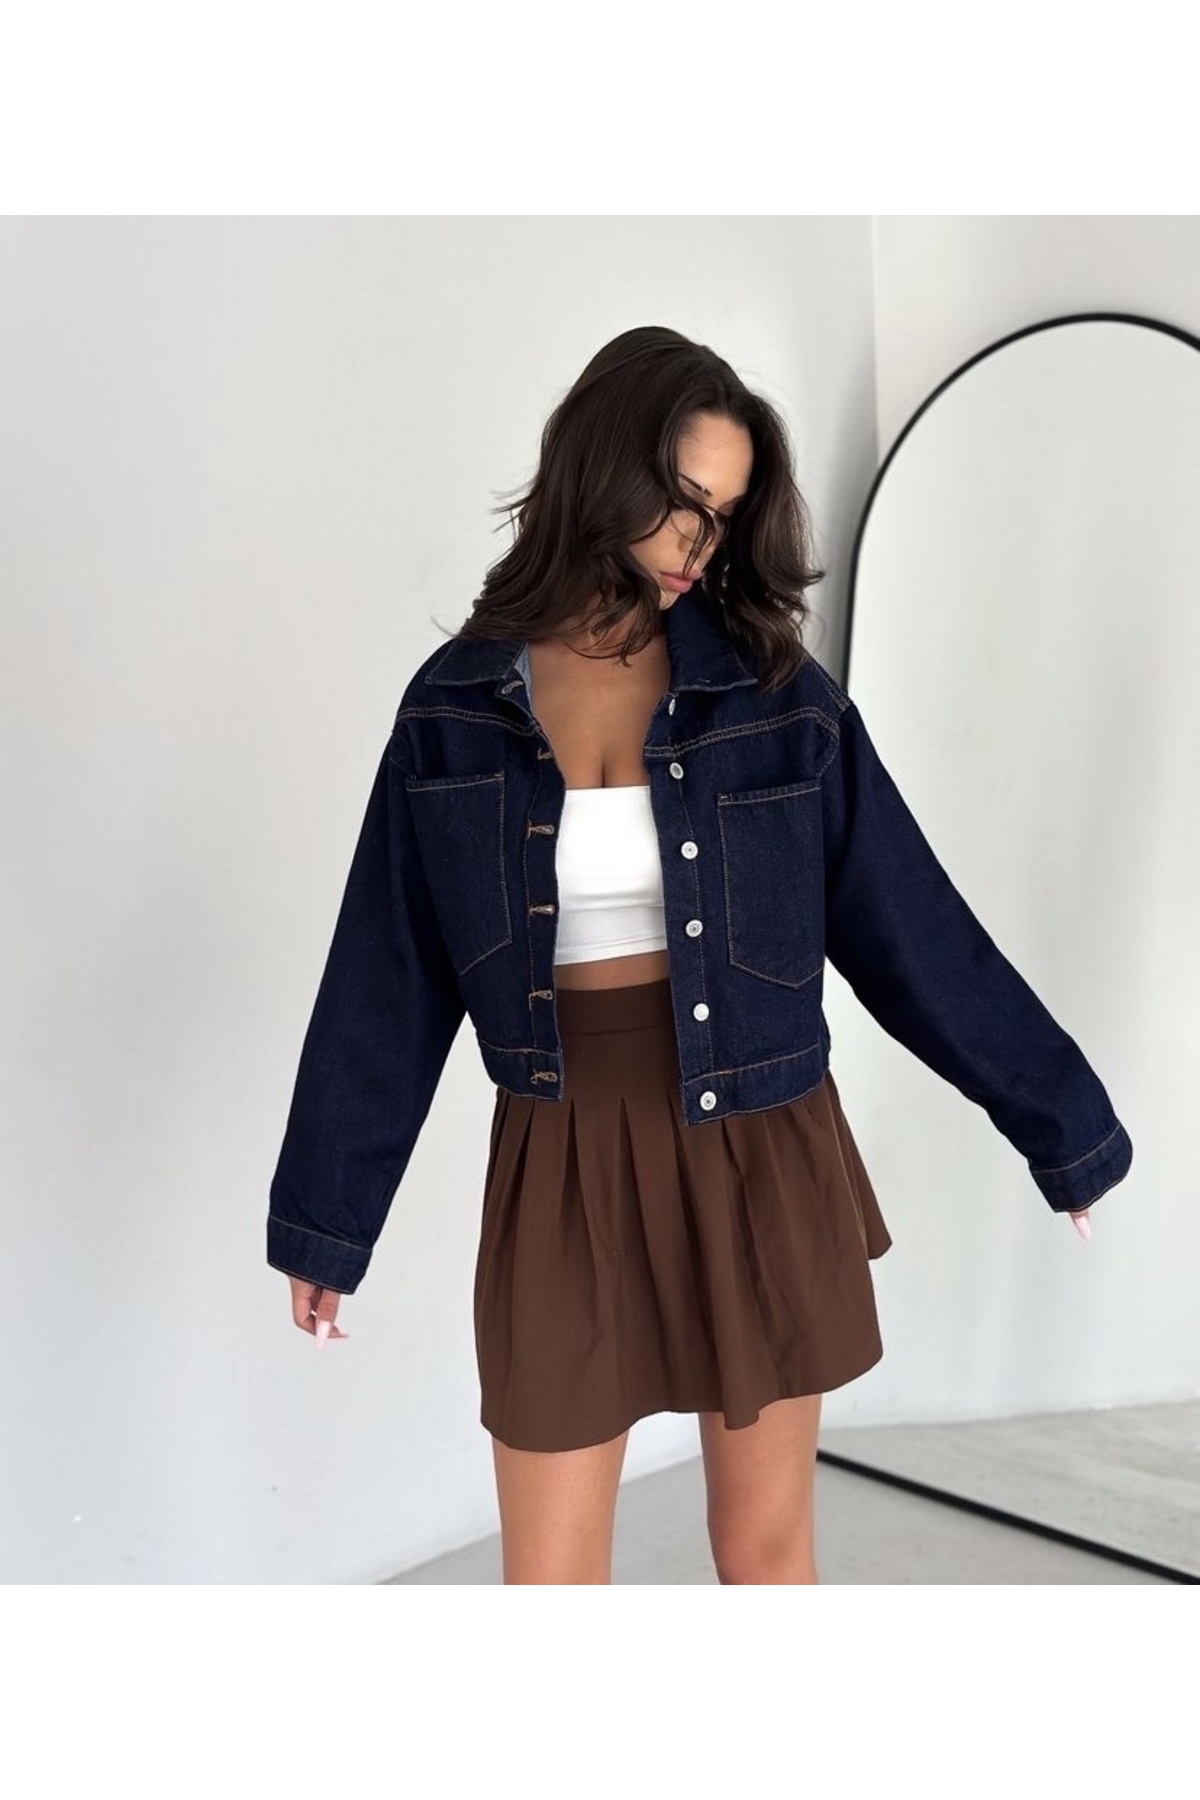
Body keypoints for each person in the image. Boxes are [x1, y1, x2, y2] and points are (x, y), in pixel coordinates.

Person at [267, 324, 1132, 1584]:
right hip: (561, 1157)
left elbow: (911, 928)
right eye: (679, 501)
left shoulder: (777, 702)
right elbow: (385, 977)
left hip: (759, 1146)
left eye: (720, 517)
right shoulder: (454, 710)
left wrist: (1061, 1122)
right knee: (549, 1579)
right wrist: (326, 1220)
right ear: (599, 466)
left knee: (764, 1552)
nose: (696, 543)